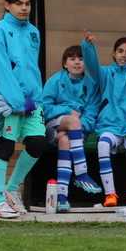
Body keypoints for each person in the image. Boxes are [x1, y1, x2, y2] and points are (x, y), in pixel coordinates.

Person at [0, 0, 48, 219]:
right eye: (19, 3)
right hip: (7, 100)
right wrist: (16, 102)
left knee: (37, 143)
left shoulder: (33, 32)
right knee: (5, 146)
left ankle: (11, 190)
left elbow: (31, 68)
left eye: (27, 4)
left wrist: (36, 99)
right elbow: (0, 68)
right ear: (7, 5)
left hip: (31, 101)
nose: (24, 8)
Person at [83, 32, 126, 207]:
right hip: (110, 124)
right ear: (113, 53)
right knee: (102, 145)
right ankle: (110, 194)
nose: (123, 55)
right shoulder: (105, 73)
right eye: (120, 51)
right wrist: (88, 46)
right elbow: (91, 66)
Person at [41, 45, 102, 211]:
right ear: (64, 63)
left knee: (65, 141)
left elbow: (91, 116)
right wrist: (68, 112)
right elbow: (44, 108)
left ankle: (62, 197)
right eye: (72, 59)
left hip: (75, 131)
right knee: (74, 120)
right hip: (53, 126)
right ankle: (81, 173)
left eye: (81, 59)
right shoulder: (54, 81)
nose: (77, 62)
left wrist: (68, 128)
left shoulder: (92, 85)